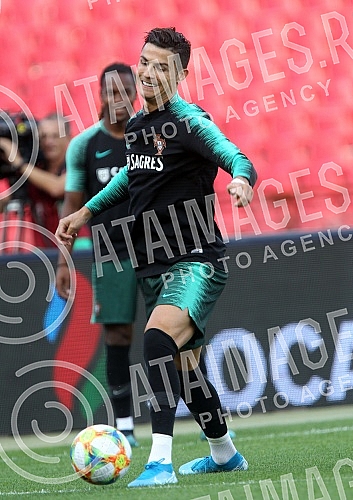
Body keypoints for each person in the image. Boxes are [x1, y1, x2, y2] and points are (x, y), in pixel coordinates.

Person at [55, 27, 257, 488]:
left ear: (181, 74)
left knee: (157, 341)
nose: (147, 72)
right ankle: (224, 454)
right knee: (188, 369)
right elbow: (132, 174)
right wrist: (85, 210)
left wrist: (242, 179)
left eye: (160, 66)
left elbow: (235, 155)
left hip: (195, 261)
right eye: (144, 61)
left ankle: (160, 462)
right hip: (153, 264)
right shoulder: (140, 125)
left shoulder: (190, 123)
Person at [55, 63, 139, 447]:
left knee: (178, 331)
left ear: (136, 93)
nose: (117, 98)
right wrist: (63, 261)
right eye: (110, 91)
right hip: (112, 254)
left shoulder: (151, 137)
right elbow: (72, 205)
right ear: (100, 95)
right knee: (118, 335)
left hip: (161, 248)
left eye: (125, 90)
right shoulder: (85, 146)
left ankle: (207, 416)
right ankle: (125, 426)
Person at [0, 114, 70, 248]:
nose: (48, 142)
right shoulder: (36, 173)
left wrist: (18, 162)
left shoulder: (78, 163)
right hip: (48, 255)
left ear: (68, 138)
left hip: (81, 250)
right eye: (43, 137)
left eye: (55, 136)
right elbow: (6, 202)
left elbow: (57, 187)